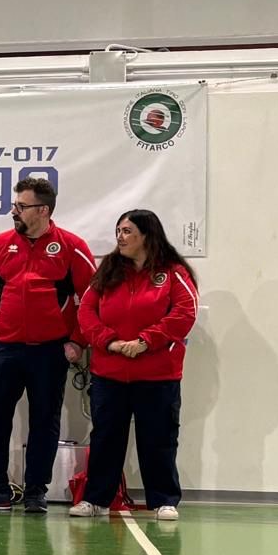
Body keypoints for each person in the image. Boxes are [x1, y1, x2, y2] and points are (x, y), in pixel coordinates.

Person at [0, 177, 96, 514]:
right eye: (15, 205)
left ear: (43, 210)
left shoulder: (71, 246)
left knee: (44, 421)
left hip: (50, 351)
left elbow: (93, 298)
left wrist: (77, 340)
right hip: (5, 349)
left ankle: (36, 491)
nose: (14, 211)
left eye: (21, 206)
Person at [70, 210, 198, 521]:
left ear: (147, 235)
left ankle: (164, 500)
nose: (120, 237)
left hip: (157, 375)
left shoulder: (173, 272)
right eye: (118, 231)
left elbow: (185, 312)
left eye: (127, 231)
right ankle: (96, 499)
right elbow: (86, 312)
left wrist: (145, 341)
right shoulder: (108, 271)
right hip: (109, 373)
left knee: (158, 439)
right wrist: (110, 342)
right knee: (105, 438)